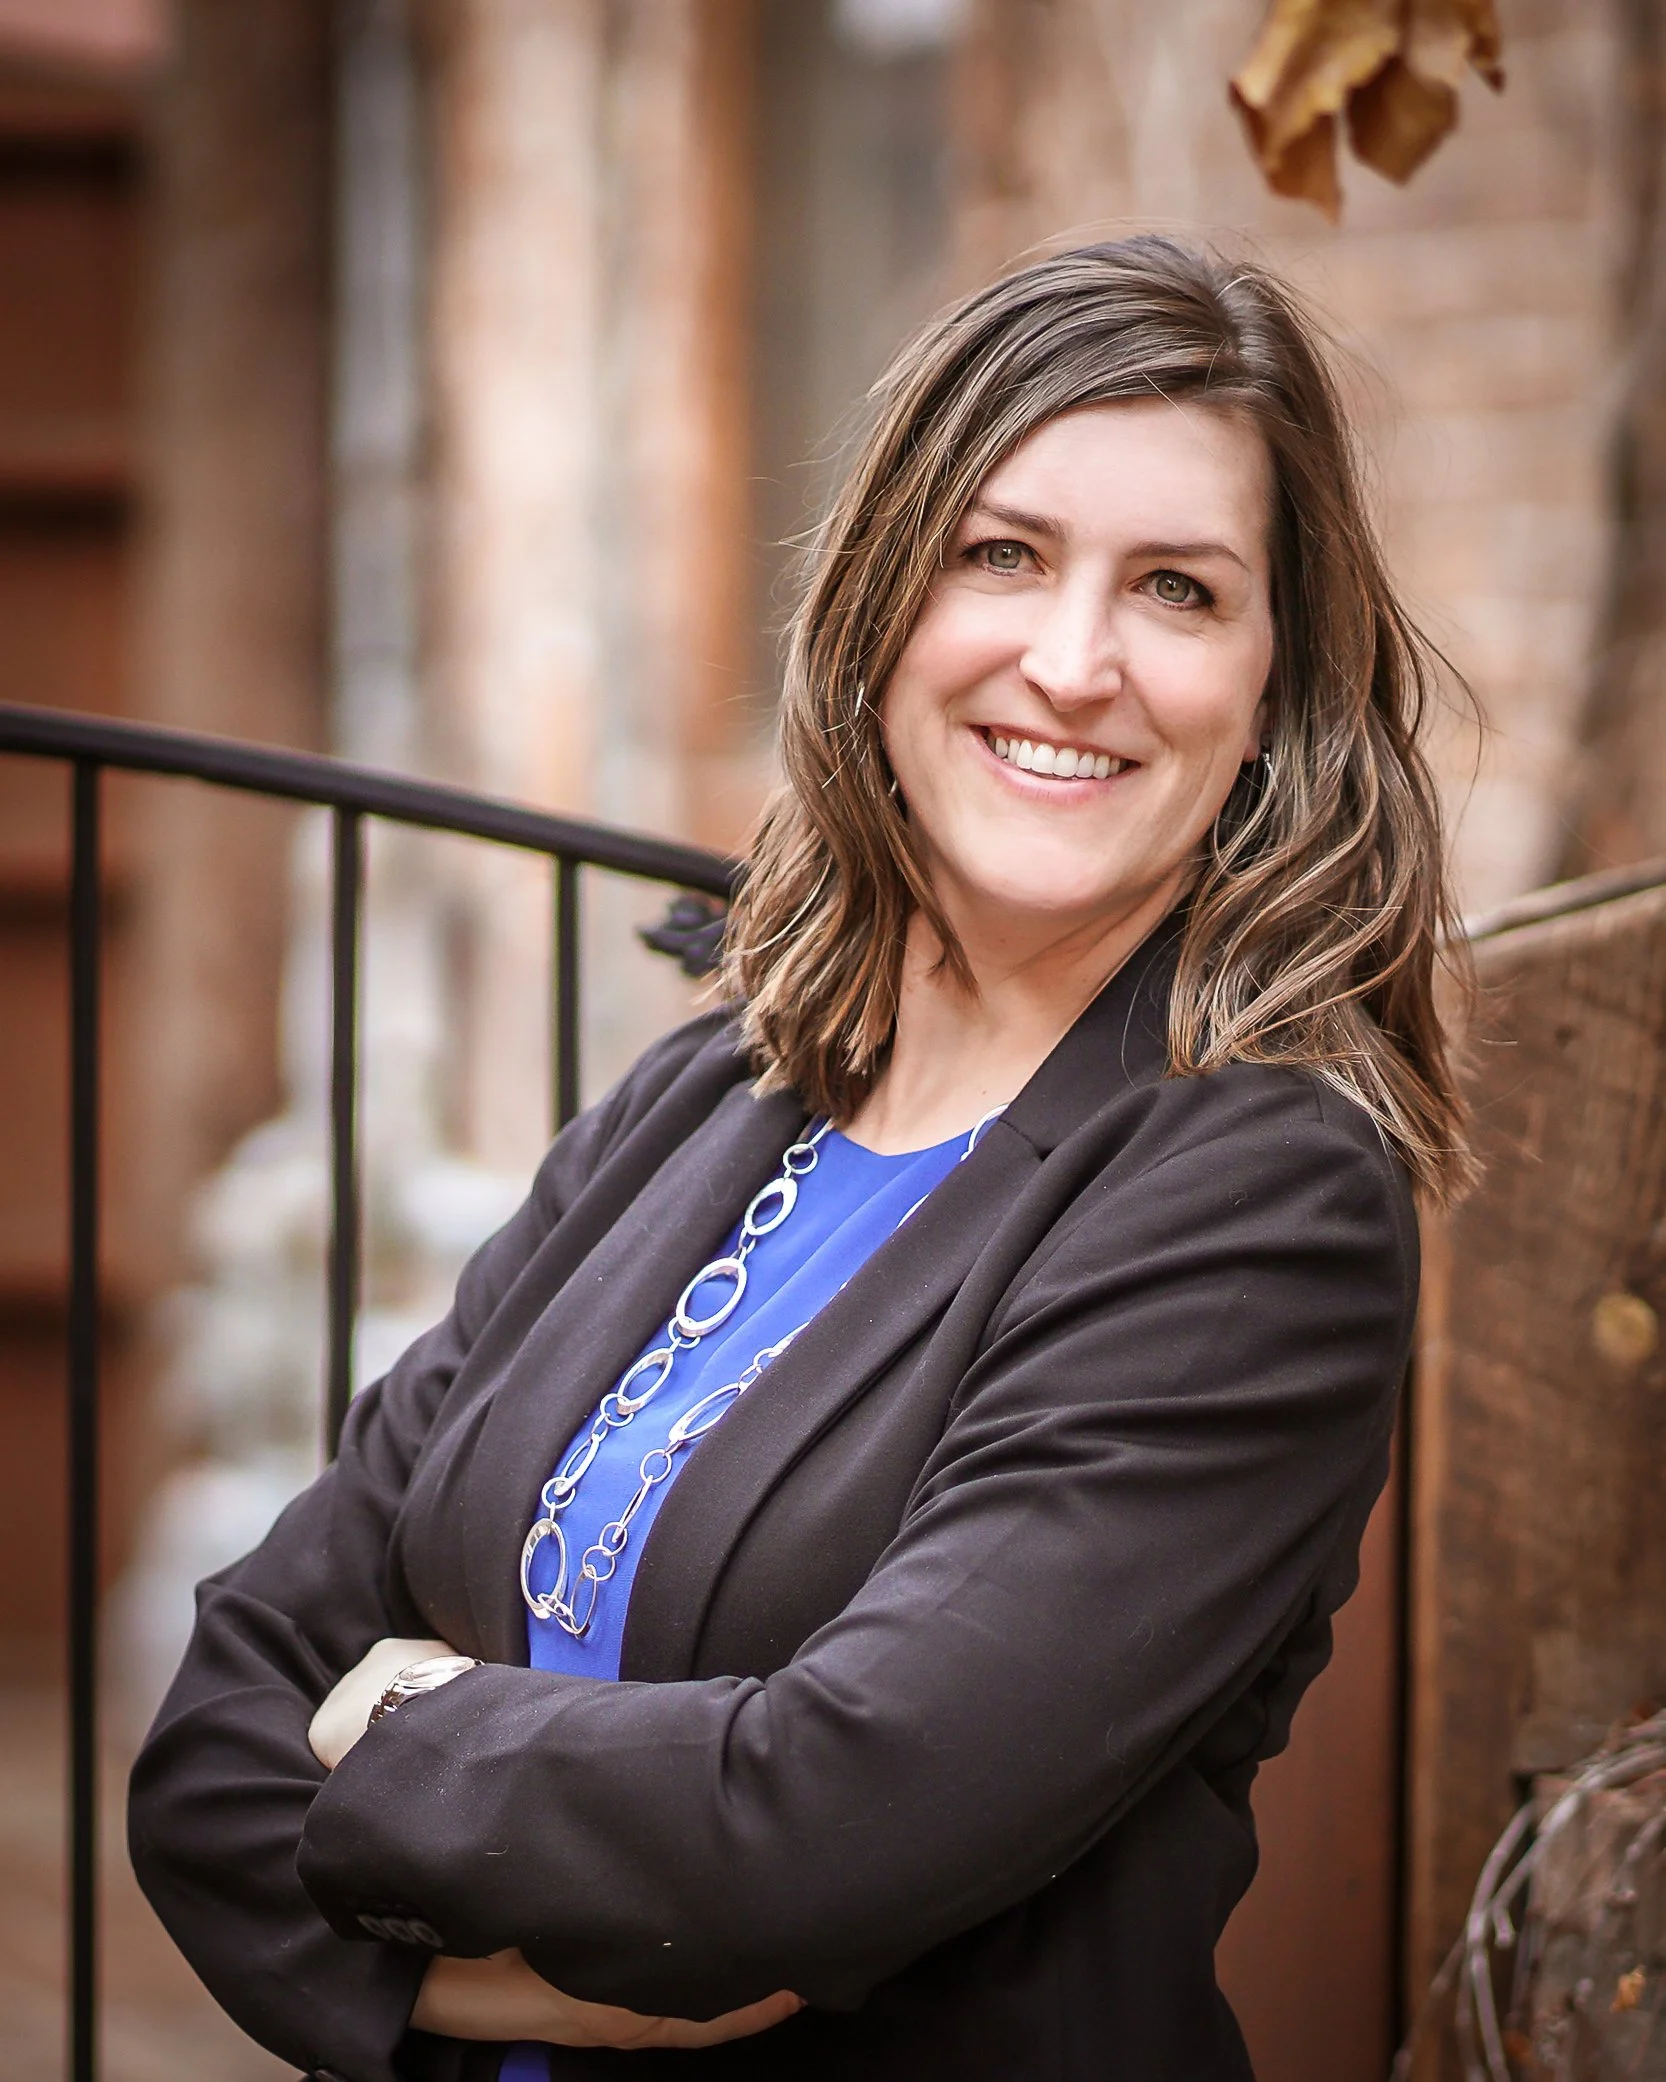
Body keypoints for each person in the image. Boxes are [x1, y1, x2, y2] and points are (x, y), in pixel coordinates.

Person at [129, 236, 1470, 2082]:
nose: (1071, 663)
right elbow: (215, 1729)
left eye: (1177, 589)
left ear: (1270, 690)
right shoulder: (707, 1098)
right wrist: (486, 1988)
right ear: (882, 605)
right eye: (1000, 554)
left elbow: (820, 1829)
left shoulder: (1257, 1201)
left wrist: (411, 1718)